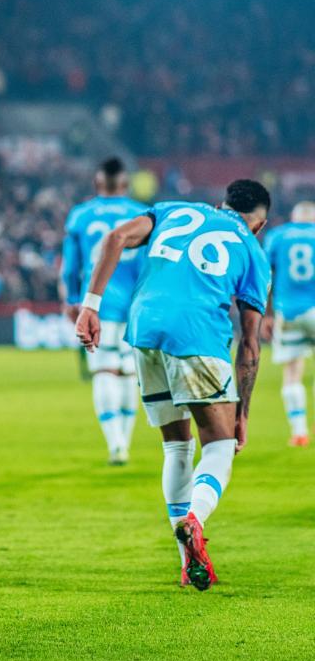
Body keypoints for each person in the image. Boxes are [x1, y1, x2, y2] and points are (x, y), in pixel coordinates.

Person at [76, 180, 271, 591]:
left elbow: (116, 237)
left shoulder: (174, 211)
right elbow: (250, 343)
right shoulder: (253, 251)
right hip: (198, 334)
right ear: (260, 225)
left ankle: (187, 564)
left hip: (143, 327)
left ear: (221, 202)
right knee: (218, 446)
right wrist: (244, 413)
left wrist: (89, 306)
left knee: (177, 446)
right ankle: (195, 519)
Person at [60, 157, 148, 465]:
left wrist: (71, 300)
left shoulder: (80, 215)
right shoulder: (140, 214)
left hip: (97, 303)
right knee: (127, 373)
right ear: (125, 184)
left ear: (98, 183)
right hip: (135, 304)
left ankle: (116, 443)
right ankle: (124, 438)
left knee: (104, 370)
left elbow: (70, 266)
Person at [262, 201, 315, 446]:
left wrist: (269, 314)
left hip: (289, 312)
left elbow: (266, 276)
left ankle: (299, 431)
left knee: (292, 373)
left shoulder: (277, 236)